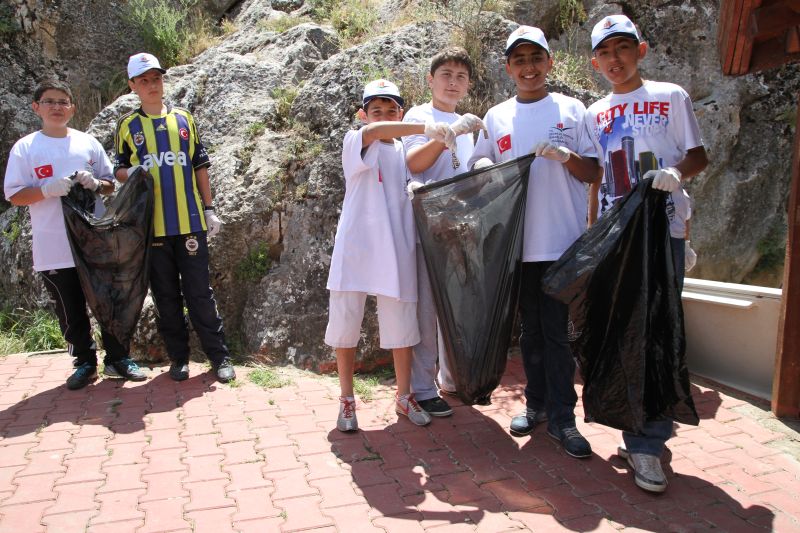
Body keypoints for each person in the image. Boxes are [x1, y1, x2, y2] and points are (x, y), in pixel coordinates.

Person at [584, 14, 709, 492]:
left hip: (664, 233)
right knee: (625, 333)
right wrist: (593, 236)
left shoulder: (671, 96)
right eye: (605, 53)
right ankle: (641, 428)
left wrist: (678, 179)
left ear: (642, 49)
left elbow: (697, 155)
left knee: (657, 332)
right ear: (595, 62)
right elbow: (597, 178)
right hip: (619, 236)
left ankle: (646, 443)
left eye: (623, 48)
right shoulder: (595, 113)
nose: (615, 60)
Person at [467, 26, 601, 458]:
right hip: (517, 245)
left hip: (561, 242)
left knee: (558, 334)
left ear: (550, 63)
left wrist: (566, 157)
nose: (529, 67)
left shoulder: (571, 108)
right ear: (509, 68)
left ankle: (565, 418)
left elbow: (594, 172)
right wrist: (486, 161)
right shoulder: (497, 115)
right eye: (519, 60)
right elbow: (480, 168)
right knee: (529, 333)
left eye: (536, 58)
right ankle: (537, 405)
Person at [325, 79, 459, 431]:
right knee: (345, 325)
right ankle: (347, 399)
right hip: (355, 247)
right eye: (375, 110)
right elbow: (377, 133)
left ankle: (403, 395)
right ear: (363, 114)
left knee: (402, 326)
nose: (383, 116)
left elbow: (407, 180)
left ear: (400, 109)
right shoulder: (357, 139)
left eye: (391, 108)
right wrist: (425, 126)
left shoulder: (402, 151)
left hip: (395, 248)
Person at [4, 79, 147, 389]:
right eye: (49, 101)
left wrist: (95, 184)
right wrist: (45, 190)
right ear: (36, 107)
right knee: (69, 308)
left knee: (109, 300)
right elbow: (14, 194)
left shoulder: (87, 143)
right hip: (53, 243)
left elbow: (111, 183)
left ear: (72, 107)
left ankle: (118, 358)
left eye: (62, 101)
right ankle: (84, 361)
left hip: (95, 241)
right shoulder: (26, 148)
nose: (57, 107)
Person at [113, 53, 235, 383]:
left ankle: (219, 356)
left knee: (200, 293)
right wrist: (130, 171)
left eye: (156, 78)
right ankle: (179, 358)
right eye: (144, 80)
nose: (152, 85)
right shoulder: (128, 126)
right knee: (166, 297)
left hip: (190, 222)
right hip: (151, 229)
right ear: (132, 86)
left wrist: (209, 209)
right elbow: (118, 170)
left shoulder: (184, 119)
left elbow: (200, 166)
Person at [402, 46, 487, 417]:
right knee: (426, 308)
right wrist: (448, 132)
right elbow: (413, 163)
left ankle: (453, 379)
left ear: (468, 84)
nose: (453, 83)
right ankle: (422, 387)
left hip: (463, 223)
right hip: (428, 224)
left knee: (460, 305)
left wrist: (482, 164)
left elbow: (468, 168)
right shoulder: (420, 115)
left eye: (461, 77)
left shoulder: (469, 121)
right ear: (430, 80)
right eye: (446, 75)